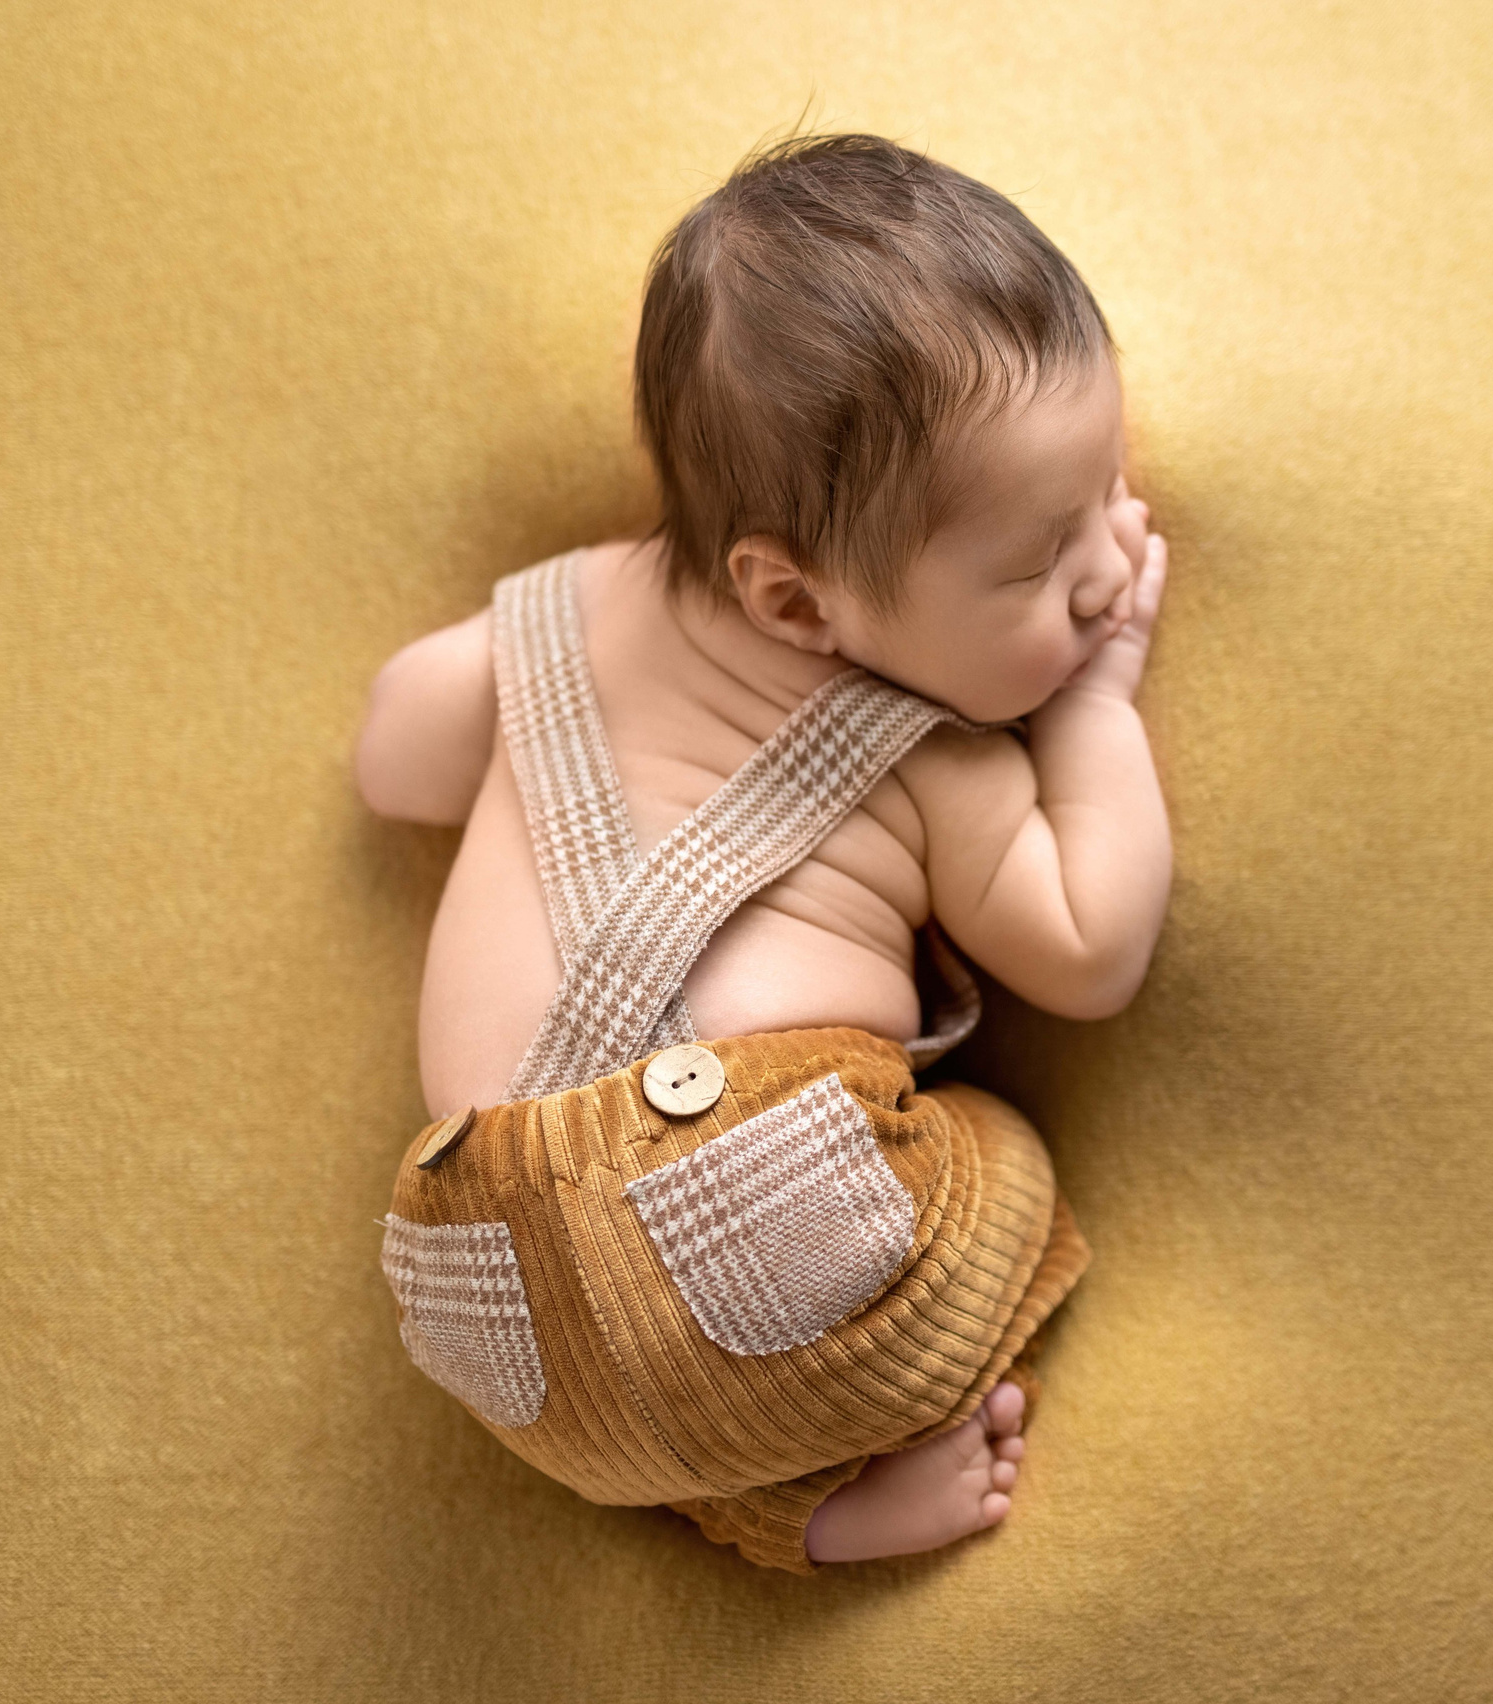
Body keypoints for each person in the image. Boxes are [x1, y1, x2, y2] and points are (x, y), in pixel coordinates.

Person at [352, 131, 1172, 1570]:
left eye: (1108, 488)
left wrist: (505, 699)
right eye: (1037, 561)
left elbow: (388, 756)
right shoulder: (941, 756)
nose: (1107, 564)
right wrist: (1095, 708)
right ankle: (870, 1447)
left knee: (655, 1394)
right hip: (782, 1218)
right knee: (998, 1155)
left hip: (487, 1304)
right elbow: (1091, 952)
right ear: (796, 606)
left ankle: (789, 1506)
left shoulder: (564, 616)